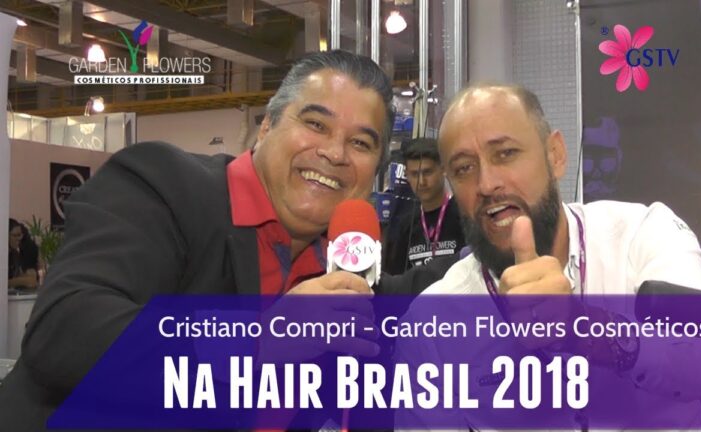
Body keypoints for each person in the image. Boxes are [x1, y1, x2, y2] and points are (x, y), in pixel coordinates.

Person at [0, 50, 444, 432]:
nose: (334, 152)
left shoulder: (338, 266)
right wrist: (259, 342)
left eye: (361, 143)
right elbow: (65, 330)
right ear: (266, 127)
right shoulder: (164, 184)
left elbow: (425, 288)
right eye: (315, 123)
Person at [395, 84, 701, 430]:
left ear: (555, 155)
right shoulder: (431, 324)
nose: (486, 183)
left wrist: (581, 327)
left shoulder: (642, 233)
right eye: (464, 168)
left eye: (506, 153)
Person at [384, 138, 465, 274]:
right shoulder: (405, 227)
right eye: (415, 174)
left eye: (427, 172)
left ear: (443, 169)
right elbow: (395, 278)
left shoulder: (463, 216)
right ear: (407, 175)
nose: (421, 182)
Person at [7, 218, 37, 290]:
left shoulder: (15, 254)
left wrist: (27, 275)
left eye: (20, 235)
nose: (19, 238)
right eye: (15, 235)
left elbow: (18, 274)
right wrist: (20, 281)